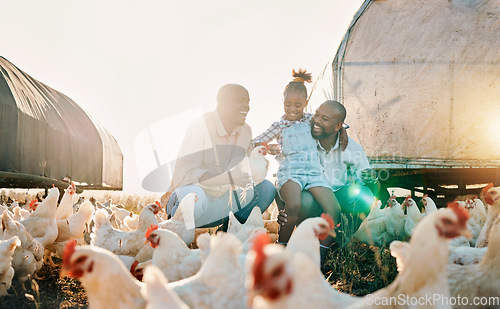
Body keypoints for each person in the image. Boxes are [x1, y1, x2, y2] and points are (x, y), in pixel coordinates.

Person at [160, 84, 276, 229]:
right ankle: (175, 234)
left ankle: (227, 232)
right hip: (192, 200)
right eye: (240, 101)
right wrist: (228, 178)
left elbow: (247, 166)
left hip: (221, 203)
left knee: (267, 188)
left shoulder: (246, 131)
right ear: (222, 102)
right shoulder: (200, 127)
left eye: (248, 102)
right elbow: (185, 174)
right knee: (195, 196)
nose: (246, 107)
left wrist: (261, 155)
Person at [253, 69, 347, 245]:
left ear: (306, 102)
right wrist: (268, 146)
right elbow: (256, 141)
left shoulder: (311, 120)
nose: (292, 109)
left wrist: (342, 130)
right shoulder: (279, 125)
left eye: (297, 105)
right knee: (294, 206)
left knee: (333, 210)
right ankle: (282, 246)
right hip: (290, 174)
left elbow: (333, 123)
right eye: (287, 104)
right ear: (283, 101)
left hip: (314, 174)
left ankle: (320, 251)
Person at [278, 100, 380, 247]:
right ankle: (307, 240)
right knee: (304, 201)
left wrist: (373, 178)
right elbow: (284, 172)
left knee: (364, 196)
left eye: (324, 119)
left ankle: (336, 241)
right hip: (310, 197)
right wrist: (284, 208)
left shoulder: (351, 148)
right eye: (316, 115)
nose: (316, 121)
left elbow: (371, 186)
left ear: (338, 126)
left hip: (337, 198)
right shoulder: (304, 137)